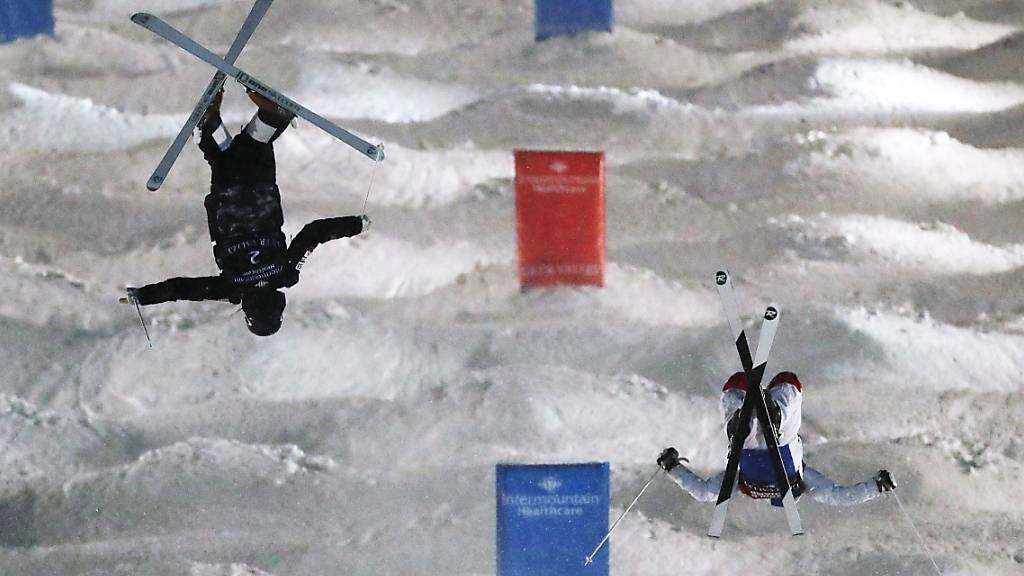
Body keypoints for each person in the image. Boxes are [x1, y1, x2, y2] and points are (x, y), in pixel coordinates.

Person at [123, 87, 370, 336]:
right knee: (217, 146)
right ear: (251, 312)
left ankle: (272, 116)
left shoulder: (285, 272)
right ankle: (253, 116)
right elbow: (183, 289)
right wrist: (144, 297)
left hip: (263, 191)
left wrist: (356, 224)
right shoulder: (231, 288)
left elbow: (314, 233)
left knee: (252, 145)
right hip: (229, 196)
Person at [657, 371, 897, 506]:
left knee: (788, 382)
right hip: (756, 449)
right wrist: (671, 467)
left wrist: (876, 486)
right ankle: (755, 416)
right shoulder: (797, 478)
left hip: (770, 447)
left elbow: (838, 496)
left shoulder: (799, 478)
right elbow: (706, 492)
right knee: (749, 390)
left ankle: (759, 415)